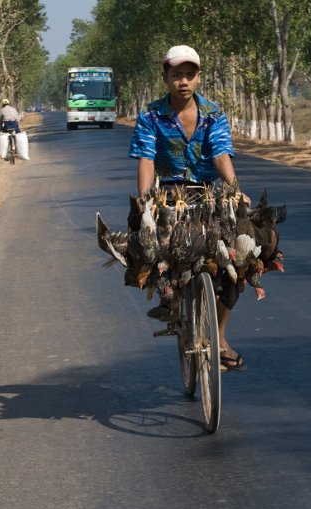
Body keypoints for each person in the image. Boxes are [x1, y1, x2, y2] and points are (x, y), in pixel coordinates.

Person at [128, 44, 249, 372]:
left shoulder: (213, 113)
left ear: (198, 78)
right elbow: (146, 159)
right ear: (165, 77)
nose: (183, 81)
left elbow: (221, 153)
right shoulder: (151, 115)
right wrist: (145, 201)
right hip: (168, 193)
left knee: (241, 260)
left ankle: (220, 336)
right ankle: (173, 299)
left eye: (189, 75)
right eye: (176, 74)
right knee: (159, 252)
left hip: (208, 193)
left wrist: (236, 191)